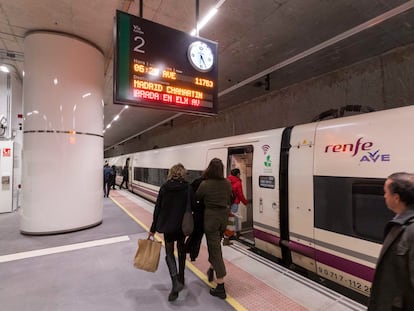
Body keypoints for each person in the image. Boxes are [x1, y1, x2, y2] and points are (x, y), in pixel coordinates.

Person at [367, 172, 414, 311]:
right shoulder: (400, 224)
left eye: (385, 192)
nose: (384, 196)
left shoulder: (410, 230)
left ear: (396, 198)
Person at [148, 163, 194, 302]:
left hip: (168, 226)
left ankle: (174, 282)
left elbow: (157, 209)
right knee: (181, 249)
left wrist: (152, 229)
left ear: (171, 173)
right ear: (183, 173)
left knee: (169, 252)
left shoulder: (164, 188)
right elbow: (193, 206)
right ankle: (181, 277)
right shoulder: (188, 188)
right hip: (182, 226)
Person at [195, 158, 232, 299]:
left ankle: (221, 286)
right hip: (223, 218)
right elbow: (229, 198)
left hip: (211, 219)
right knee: (216, 246)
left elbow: (197, 197)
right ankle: (211, 268)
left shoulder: (205, 184)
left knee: (214, 249)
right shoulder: (227, 183)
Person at [225, 168, 248, 244]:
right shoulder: (238, 182)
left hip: (228, 202)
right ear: (237, 174)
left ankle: (230, 233)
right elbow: (240, 194)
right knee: (234, 219)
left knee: (230, 219)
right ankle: (232, 234)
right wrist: (245, 202)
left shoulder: (227, 180)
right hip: (235, 202)